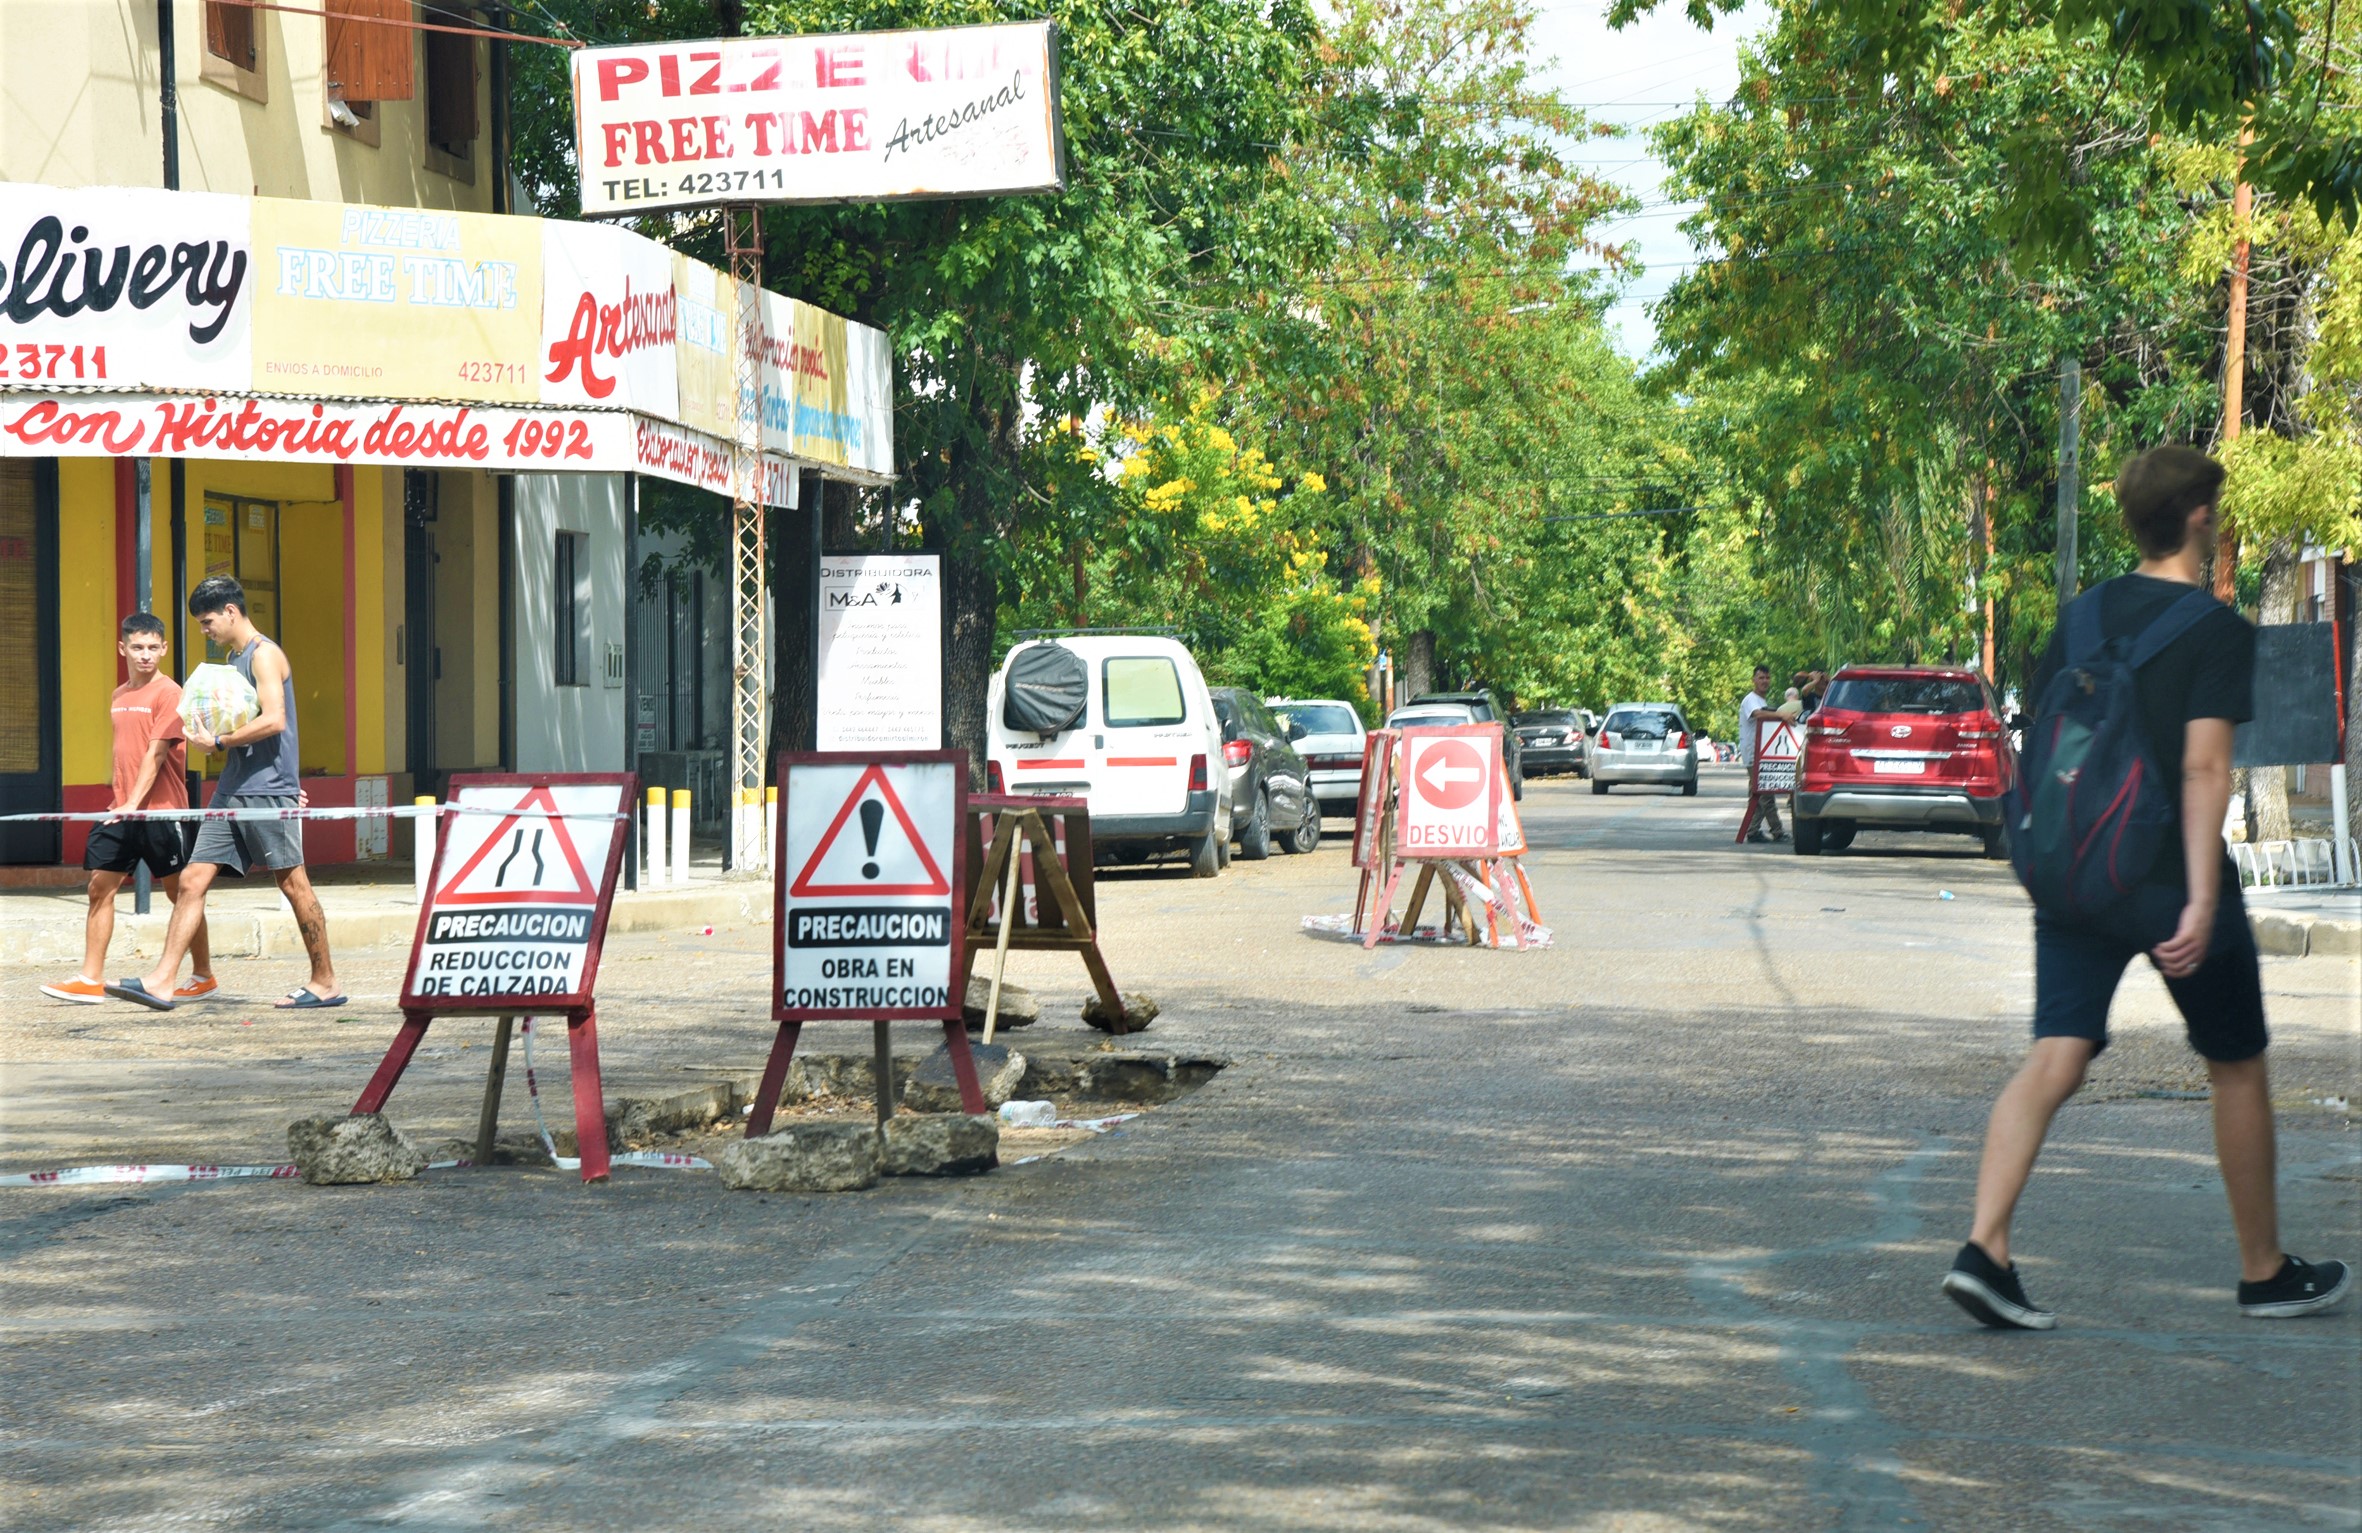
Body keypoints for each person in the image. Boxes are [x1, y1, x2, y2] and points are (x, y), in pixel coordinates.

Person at [1943, 446, 2349, 1329]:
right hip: (2167, 877)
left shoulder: (2081, 619)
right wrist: (2202, 898)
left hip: (2079, 872)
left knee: (2056, 1053)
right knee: (2234, 1061)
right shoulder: (2213, 630)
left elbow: (2050, 744)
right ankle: (2263, 1269)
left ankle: (1986, 1248)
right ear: (2200, 516)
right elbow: (2205, 768)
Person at [105, 576, 344, 1011]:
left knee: (293, 884)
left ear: (231, 612)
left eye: (207, 621)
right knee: (192, 881)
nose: (204, 630)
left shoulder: (264, 655)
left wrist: (219, 743)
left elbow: (274, 720)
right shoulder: (233, 659)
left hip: (267, 791)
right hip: (232, 788)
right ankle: (162, 981)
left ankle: (325, 981)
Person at [40, 615, 215, 1004]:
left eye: (154, 647)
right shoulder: (119, 695)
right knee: (99, 888)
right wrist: (120, 800)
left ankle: (202, 974)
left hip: (160, 812)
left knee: (180, 894)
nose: (146, 655)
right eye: (138, 647)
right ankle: (90, 978)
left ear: (164, 649)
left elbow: (155, 754)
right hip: (121, 810)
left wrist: (134, 803)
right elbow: (126, 752)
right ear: (123, 649)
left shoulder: (170, 693)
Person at [1738, 664, 1784, 842]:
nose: (1764, 681)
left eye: (1767, 678)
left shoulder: (1762, 701)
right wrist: (1782, 715)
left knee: (1757, 795)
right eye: (1761, 678)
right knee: (1766, 794)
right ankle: (1778, 831)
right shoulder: (1751, 700)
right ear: (1753, 680)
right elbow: (1758, 715)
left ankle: (1752, 831)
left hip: (1761, 754)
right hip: (1753, 754)